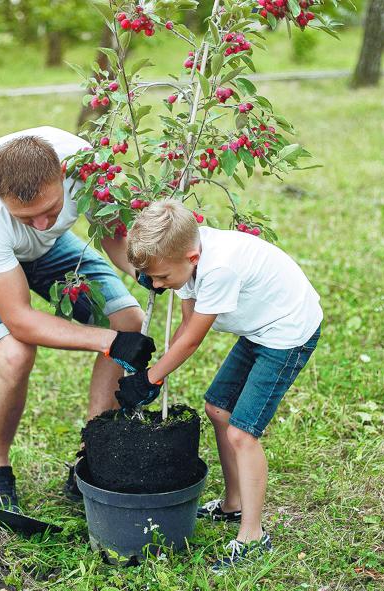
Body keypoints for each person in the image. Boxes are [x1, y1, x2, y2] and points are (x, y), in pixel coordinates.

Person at [0, 126, 155, 510]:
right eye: (26, 216)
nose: (41, 224)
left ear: (62, 176)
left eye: (50, 212)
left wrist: (145, 272)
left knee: (128, 320)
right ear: (0, 197)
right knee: (15, 353)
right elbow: (20, 320)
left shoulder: (85, 164)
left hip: (50, 251)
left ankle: (92, 453)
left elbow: (111, 232)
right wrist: (107, 342)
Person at [116, 200, 322, 572]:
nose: (157, 285)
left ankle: (253, 537)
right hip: (259, 329)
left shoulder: (219, 268)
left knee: (243, 434)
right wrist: (155, 369)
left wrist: (150, 378)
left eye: (162, 277)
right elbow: (185, 324)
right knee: (218, 409)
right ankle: (233, 503)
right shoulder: (183, 258)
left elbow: (194, 338)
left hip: (287, 332)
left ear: (192, 258)